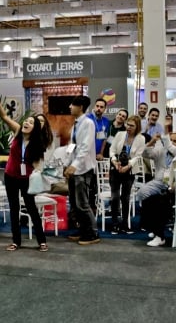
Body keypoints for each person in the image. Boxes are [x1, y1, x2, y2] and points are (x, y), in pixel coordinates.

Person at [0, 95, 49, 253]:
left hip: (26, 180)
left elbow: (38, 165)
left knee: (31, 209)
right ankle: (16, 241)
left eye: (31, 122)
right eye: (26, 121)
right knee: (14, 208)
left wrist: (40, 176)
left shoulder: (38, 144)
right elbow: (4, 116)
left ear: (35, 128)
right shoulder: (17, 131)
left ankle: (42, 241)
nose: (26, 123)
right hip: (10, 176)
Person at [64, 96, 101, 245]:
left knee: (82, 203)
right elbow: (72, 146)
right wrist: (67, 164)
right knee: (74, 203)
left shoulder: (88, 123)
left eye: (72, 105)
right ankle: (83, 230)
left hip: (83, 169)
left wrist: (75, 165)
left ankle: (92, 233)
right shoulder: (76, 124)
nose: (70, 107)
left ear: (80, 107)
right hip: (74, 168)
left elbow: (85, 146)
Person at [138, 132, 176, 246]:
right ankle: (153, 226)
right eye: (170, 139)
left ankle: (159, 228)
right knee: (142, 193)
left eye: (175, 141)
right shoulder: (161, 150)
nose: (171, 142)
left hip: (173, 185)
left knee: (158, 202)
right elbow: (144, 153)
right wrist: (152, 141)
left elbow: (170, 146)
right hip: (158, 182)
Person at [108, 115, 146, 235]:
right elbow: (112, 150)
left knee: (125, 198)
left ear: (137, 127)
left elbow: (138, 156)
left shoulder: (141, 138)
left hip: (129, 171)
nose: (128, 127)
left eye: (132, 125)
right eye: (127, 124)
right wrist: (114, 161)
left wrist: (127, 166)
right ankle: (115, 224)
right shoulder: (120, 135)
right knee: (115, 198)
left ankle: (125, 223)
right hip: (115, 169)